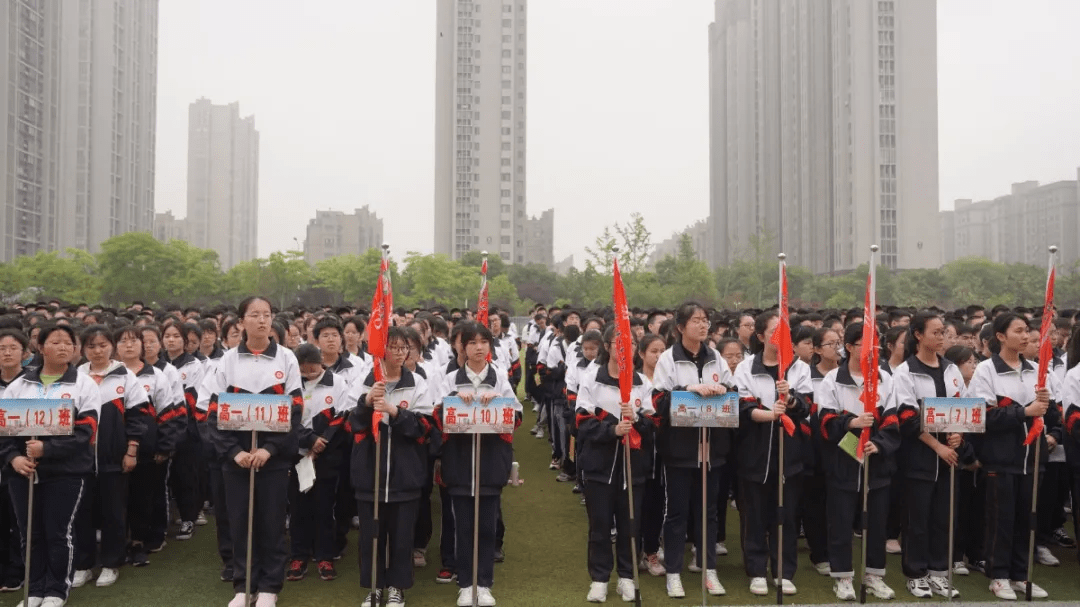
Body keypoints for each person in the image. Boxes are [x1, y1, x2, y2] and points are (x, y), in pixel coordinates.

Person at [205, 296, 304, 607]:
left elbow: (296, 410)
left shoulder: (287, 358)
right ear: (241, 322)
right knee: (240, 521)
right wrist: (233, 452)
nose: (262, 320)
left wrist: (270, 450)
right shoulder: (227, 361)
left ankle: (270, 586)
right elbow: (213, 412)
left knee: (271, 521)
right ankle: (243, 585)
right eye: (255, 315)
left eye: (267, 314)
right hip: (236, 460)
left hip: (272, 461)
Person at [1, 323, 100, 607]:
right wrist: (13, 458)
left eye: (68, 343)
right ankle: (34, 590)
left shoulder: (82, 384)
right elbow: (4, 428)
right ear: (40, 347)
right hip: (23, 472)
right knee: (29, 533)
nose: (63, 347)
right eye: (55, 342)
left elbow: (86, 431)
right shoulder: (21, 385)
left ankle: (56, 590)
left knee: (58, 532)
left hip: (66, 473)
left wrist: (48, 448)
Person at [967, 312, 1058, 600]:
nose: (1025, 335)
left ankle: (1021, 574)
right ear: (1001, 336)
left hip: (1033, 458)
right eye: (1018, 330)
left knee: (1026, 518)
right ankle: (998, 574)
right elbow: (982, 415)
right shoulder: (986, 371)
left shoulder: (1037, 370)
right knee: (1001, 519)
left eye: (1027, 330)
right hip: (1001, 459)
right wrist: (1024, 412)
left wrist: (1046, 414)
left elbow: (1051, 412)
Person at [434, 322, 521, 607]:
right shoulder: (450, 380)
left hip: (491, 464)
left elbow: (516, 418)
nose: (479, 347)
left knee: (486, 527)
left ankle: (483, 584)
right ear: (462, 347)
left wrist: (498, 401)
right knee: (463, 528)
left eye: (484, 341)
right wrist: (453, 402)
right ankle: (465, 584)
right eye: (472, 342)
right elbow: (435, 417)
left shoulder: (499, 378)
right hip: (459, 465)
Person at [349, 327, 436, 606]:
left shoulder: (418, 384)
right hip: (369, 470)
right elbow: (352, 425)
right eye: (394, 347)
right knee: (371, 536)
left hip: (405, 471)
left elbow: (425, 428)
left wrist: (394, 411)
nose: (400, 353)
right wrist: (367, 403)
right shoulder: (364, 381)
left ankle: (398, 587)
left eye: (404, 348)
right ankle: (373, 588)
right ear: (379, 349)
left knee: (401, 536)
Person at [651, 302, 733, 599]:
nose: (702, 325)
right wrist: (689, 390)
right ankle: (673, 572)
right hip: (680, 449)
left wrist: (724, 390)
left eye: (705, 320)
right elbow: (658, 401)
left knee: (709, 511)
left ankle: (709, 569)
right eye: (696, 321)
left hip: (712, 448)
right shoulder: (668, 360)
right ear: (680, 328)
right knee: (677, 512)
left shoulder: (716, 359)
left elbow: (733, 394)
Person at [816, 322, 900, 601]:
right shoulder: (833, 380)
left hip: (877, 465)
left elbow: (892, 421)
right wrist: (851, 422)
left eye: (876, 344)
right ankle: (842, 577)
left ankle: (874, 575)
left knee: (876, 523)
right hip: (842, 462)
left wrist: (880, 443)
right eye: (866, 344)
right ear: (849, 347)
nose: (872, 350)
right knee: (840, 522)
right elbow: (825, 422)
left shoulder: (885, 380)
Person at [734, 311, 812, 596]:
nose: (781, 337)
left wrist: (790, 399)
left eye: (785, 332)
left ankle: (783, 570)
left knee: (787, 514)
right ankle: (756, 569)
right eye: (774, 331)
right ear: (761, 336)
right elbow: (741, 407)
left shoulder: (799, 369)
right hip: (754, 452)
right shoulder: (745, 368)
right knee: (754, 514)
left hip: (790, 453)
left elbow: (807, 407)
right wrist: (768, 414)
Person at [578, 325, 657, 603]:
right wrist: (611, 430)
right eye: (618, 343)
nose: (625, 349)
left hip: (634, 467)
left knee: (630, 525)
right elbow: (580, 422)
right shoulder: (592, 379)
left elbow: (654, 422)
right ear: (608, 347)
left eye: (630, 344)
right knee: (600, 525)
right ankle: (599, 578)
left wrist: (635, 419)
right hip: (599, 467)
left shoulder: (642, 384)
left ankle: (626, 576)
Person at [892, 313, 967, 598]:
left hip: (949, 458)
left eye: (943, 332)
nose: (941, 337)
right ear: (918, 335)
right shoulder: (906, 372)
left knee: (943, 517)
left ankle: (939, 572)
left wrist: (958, 434)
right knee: (917, 519)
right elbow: (908, 418)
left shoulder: (951, 370)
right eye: (936, 332)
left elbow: (963, 409)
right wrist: (937, 446)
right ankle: (916, 573)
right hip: (918, 458)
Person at [72, 325, 152, 589]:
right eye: (91, 346)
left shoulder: (125, 376)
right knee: (81, 513)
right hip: (80, 460)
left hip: (114, 458)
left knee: (113, 513)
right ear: (82, 349)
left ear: (112, 347)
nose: (97, 351)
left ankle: (110, 563)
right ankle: (82, 565)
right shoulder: (75, 376)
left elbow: (138, 417)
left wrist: (131, 451)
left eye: (103, 345)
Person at [115, 325, 186, 569]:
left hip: (148, 449)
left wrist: (165, 447)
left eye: (134, 341)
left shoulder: (156, 375)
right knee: (116, 499)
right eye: (123, 341)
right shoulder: (110, 374)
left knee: (144, 497)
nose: (130, 345)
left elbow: (169, 413)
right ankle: (117, 545)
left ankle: (139, 542)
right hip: (113, 449)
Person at [285, 344, 349, 583]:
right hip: (297, 455)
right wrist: (308, 439)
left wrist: (321, 442)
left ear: (321, 361)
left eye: (313, 369)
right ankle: (298, 556)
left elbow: (342, 416)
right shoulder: (291, 384)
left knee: (325, 508)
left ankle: (325, 556)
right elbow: (287, 417)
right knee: (298, 508)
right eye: (304, 370)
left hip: (327, 456)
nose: (309, 373)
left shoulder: (338, 383)